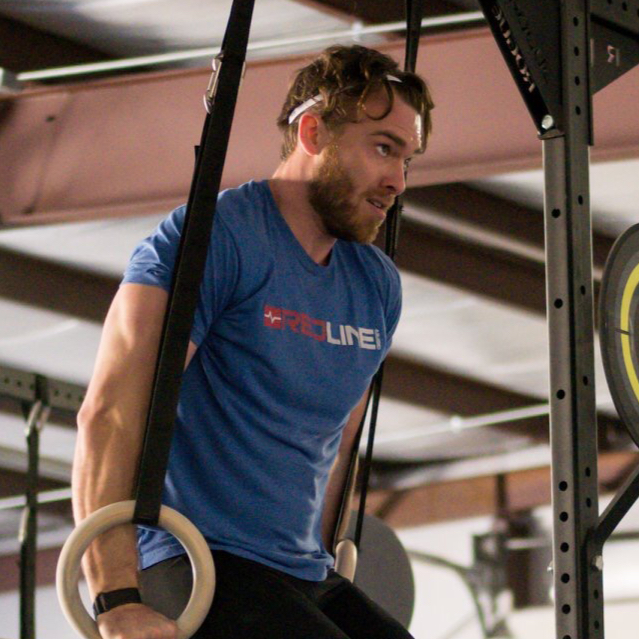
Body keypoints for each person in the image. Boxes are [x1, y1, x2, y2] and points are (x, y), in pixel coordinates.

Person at [72, 44, 434, 639]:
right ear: (313, 133)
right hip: (192, 562)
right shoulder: (213, 240)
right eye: (382, 149)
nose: (396, 181)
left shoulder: (376, 286)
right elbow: (110, 414)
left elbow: (341, 442)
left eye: (407, 159)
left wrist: (326, 571)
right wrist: (116, 598)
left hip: (298, 572)